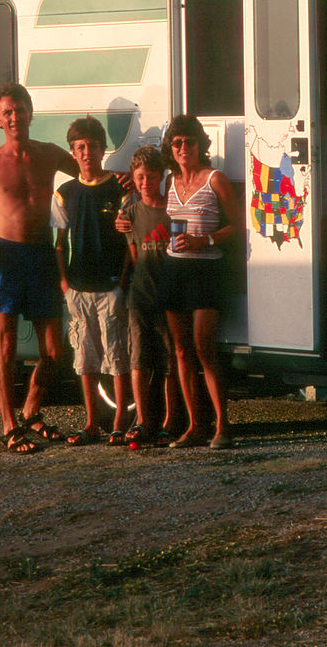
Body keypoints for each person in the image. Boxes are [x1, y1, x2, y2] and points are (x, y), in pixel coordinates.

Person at [0, 82, 79, 454]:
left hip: (41, 255)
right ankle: (9, 425)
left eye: (20, 109)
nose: (15, 117)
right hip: (4, 257)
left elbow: (87, 171)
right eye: (7, 112)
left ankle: (31, 411)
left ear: (31, 112)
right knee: (5, 347)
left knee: (53, 349)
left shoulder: (50, 155)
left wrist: (120, 178)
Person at [160, 114, 241, 449]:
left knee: (204, 348)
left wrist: (204, 240)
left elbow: (237, 225)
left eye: (188, 142)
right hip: (173, 270)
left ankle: (222, 426)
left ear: (200, 144)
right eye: (176, 142)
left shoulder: (215, 179)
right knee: (180, 351)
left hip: (206, 271)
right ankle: (195, 427)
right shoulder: (169, 182)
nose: (182, 148)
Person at [52, 116, 131, 446]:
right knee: (85, 357)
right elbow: (59, 243)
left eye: (93, 146)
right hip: (79, 287)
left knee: (116, 355)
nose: (87, 153)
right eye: (80, 147)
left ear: (103, 149)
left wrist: (122, 283)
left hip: (111, 286)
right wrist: (64, 282)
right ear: (73, 152)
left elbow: (131, 244)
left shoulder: (120, 187)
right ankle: (91, 422)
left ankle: (119, 421)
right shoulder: (65, 192)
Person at [118, 144, 183, 445]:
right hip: (140, 297)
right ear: (133, 177)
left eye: (152, 177)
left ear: (162, 177)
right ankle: (143, 419)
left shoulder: (171, 210)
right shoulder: (130, 213)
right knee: (139, 359)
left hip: (169, 294)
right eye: (141, 177)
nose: (146, 183)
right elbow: (134, 257)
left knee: (169, 361)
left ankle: (170, 420)